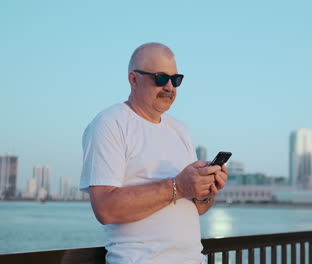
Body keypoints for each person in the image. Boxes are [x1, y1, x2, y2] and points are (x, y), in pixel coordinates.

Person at [80, 42, 228, 263]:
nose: (169, 86)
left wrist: (206, 191)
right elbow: (105, 209)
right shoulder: (110, 123)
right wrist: (178, 185)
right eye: (160, 78)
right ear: (133, 79)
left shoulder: (181, 130)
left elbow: (196, 209)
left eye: (175, 80)